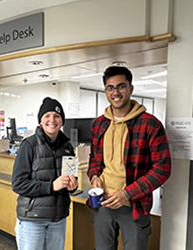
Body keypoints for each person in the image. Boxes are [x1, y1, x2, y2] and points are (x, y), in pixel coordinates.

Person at [87, 66, 171, 250]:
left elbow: (162, 169)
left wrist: (126, 193)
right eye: (110, 88)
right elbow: (94, 159)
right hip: (103, 204)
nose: (115, 92)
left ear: (131, 88)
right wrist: (94, 177)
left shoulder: (150, 124)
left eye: (121, 86)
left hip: (134, 206)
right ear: (105, 91)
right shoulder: (98, 124)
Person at [12, 97, 78, 250]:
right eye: (47, 116)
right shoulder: (29, 145)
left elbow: (71, 178)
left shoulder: (67, 147)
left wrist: (72, 186)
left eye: (56, 116)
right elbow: (18, 184)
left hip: (58, 218)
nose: (52, 120)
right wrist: (51, 186)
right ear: (40, 121)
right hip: (33, 219)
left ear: (62, 121)